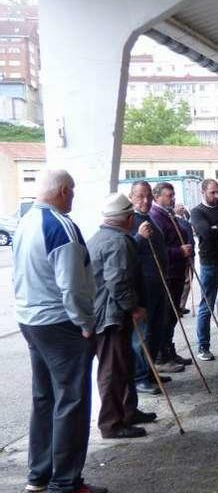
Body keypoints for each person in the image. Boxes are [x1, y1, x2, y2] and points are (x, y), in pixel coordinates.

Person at [13, 169, 107, 493]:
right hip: (60, 324)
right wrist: (85, 324)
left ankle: (38, 475)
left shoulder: (24, 223)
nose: (74, 197)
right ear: (64, 191)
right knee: (71, 401)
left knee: (45, 398)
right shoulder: (61, 227)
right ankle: (65, 481)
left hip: (31, 320)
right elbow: (73, 286)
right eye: (74, 191)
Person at [88, 193, 157, 439]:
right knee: (113, 370)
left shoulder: (101, 237)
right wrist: (133, 307)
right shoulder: (118, 242)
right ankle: (112, 423)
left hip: (108, 313)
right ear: (128, 219)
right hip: (111, 316)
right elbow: (118, 282)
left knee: (123, 366)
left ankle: (128, 410)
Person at [129, 181, 180, 385]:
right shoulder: (130, 220)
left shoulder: (150, 217)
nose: (146, 200)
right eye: (140, 196)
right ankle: (141, 377)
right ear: (131, 197)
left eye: (148, 196)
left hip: (159, 282)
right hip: (143, 286)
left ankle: (150, 372)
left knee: (157, 330)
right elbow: (125, 250)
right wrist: (139, 237)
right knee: (142, 335)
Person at [149, 182, 193, 368]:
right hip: (167, 273)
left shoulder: (168, 214)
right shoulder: (156, 216)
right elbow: (157, 250)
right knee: (167, 316)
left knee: (173, 315)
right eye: (168, 195)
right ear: (157, 196)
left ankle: (169, 348)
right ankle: (161, 355)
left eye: (173, 195)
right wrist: (179, 252)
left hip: (176, 271)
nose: (172, 198)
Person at [189, 178, 218, 361]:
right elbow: (205, 233)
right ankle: (203, 347)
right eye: (212, 192)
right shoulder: (197, 212)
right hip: (210, 263)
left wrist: (217, 229)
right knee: (206, 307)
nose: (216, 195)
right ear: (203, 192)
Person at [174, 204, 194, 316]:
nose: (182, 208)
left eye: (182, 206)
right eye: (179, 207)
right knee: (186, 280)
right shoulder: (176, 221)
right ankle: (179, 305)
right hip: (184, 254)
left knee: (188, 281)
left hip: (190, 253)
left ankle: (181, 304)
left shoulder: (185, 219)